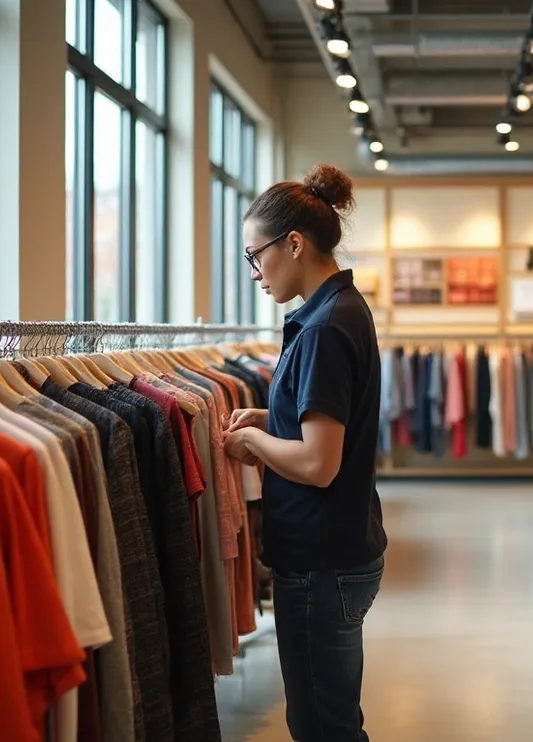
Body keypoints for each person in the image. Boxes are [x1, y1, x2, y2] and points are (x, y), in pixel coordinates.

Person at [222, 162, 387, 742]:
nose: (254, 272)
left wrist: (253, 442)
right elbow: (330, 422)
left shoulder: (323, 328)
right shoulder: (338, 311)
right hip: (339, 546)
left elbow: (319, 463)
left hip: (323, 559)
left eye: (254, 255)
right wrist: (271, 419)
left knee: (323, 725)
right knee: (328, 718)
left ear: (293, 244)